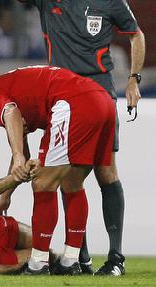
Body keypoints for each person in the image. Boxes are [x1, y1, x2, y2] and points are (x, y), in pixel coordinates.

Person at [8, 0, 146, 276]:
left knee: (106, 171)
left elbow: (136, 35)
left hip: (99, 91)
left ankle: (115, 258)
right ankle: (79, 259)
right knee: (65, 175)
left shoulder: (111, 2)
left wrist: (133, 79)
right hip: (61, 97)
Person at [0, 65, 116, 275]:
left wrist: (17, 156)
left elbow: (11, 113)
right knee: (72, 184)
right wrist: (6, 196)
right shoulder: (5, 92)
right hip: (102, 101)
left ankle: (38, 263)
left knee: (42, 183)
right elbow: (20, 147)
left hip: (72, 103)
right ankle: (71, 260)